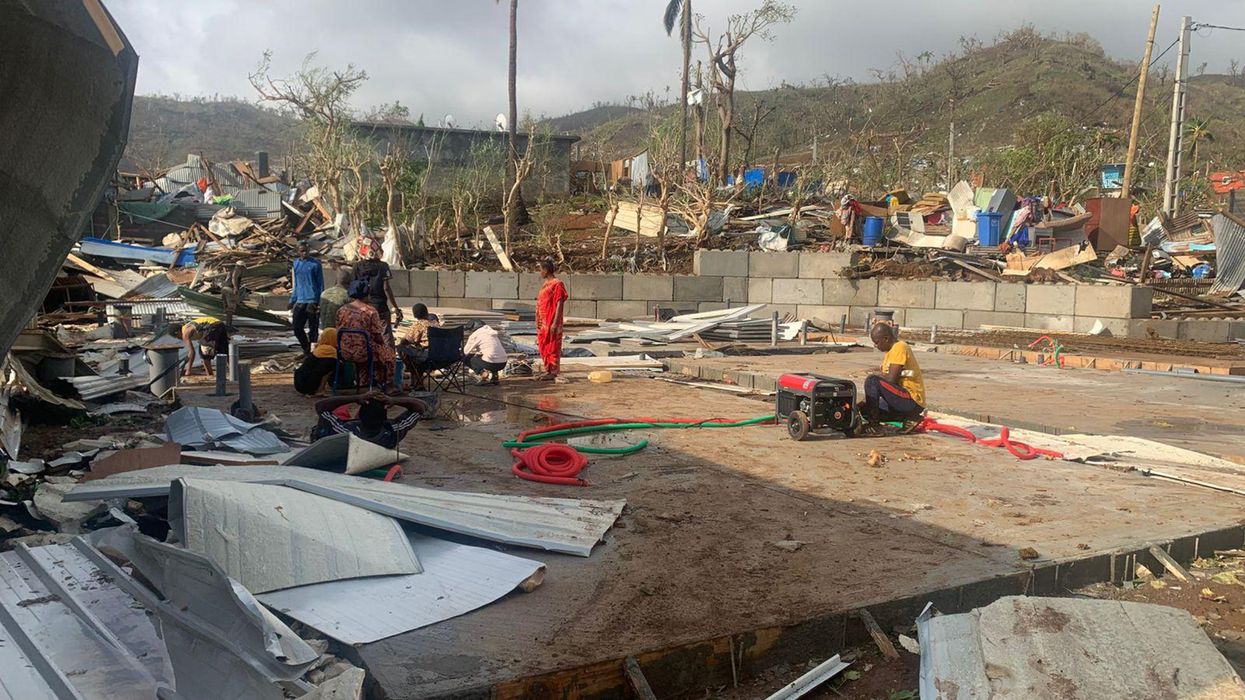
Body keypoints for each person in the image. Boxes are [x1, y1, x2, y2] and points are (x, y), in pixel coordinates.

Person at [312, 390, 426, 449]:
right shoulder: (393, 431)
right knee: (341, 413)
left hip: (344, 433)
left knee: (340, 410)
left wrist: (356, 398)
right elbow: (421, 407)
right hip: (376, 434)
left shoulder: (343, 432)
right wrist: (394, 400)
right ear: (385, 417)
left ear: (360, 415)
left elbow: (320, 406)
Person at [336, 280, 396, 391]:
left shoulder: (341, 310)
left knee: (373, 352)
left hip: (344, 352)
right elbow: (378, 337)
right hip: (364, 352)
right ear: (367, 294)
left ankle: (364, 382)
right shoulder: (370, 311)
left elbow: (338, 330)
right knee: (389, 355)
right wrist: (384, 346)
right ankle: (388, 385)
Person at [860, 323, 926, 425]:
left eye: (877, 343)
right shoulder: (889, 353)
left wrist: (877, 377)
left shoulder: (899, 347)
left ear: (886, 338)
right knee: (865, 410)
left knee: (872, 380)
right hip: (900, 399)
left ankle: (874, 425)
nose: (876, 346)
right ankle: (910, 418)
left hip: (911, 400)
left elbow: (891, 379)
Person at [352, 240, 403, 347]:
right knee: (385, 335)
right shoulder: (383, 266)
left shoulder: (357, 266)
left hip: (363, 308)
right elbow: (386, 288)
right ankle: (388, 359)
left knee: (364, 334)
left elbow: (354, 288)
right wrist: (396, 307)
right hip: (381, 307)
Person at [534, 258, 568, 381]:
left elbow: (560, 303)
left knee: (552, 346)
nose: (540, 273)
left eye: (541, 270)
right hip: (542, 323)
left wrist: (555, 322)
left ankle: (553, 371)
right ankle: (547, 369)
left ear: (546, 270)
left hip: (551, 321)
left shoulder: (557, 284)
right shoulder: (545, 284)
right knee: (544, 346)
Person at [290, 243, 324, 354]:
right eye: (302, 251)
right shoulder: (295, 264)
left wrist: (319, 300)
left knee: (313, 329)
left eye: (306, 251)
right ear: (298, 251)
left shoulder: (315, 264)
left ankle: (313, 352)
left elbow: (320, 283)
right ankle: (306, 349)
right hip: (300, 299)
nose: (304, 253)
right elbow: (295, 284)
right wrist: (292, 300)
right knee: (297, 327)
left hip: (312, 299)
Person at [397, 303, 436, 390]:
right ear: (426, 312)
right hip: (442, 357)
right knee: (415, 355)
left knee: (401, 348)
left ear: (414, 315)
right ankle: (417, 379)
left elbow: (405, 340)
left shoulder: (418, 325)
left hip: (427, 357)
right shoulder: (435, 324)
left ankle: (415, 377)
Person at [294, 327, 338, 396]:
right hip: (308, 385)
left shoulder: (319, 348)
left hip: (299, 383)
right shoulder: (330, 351)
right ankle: (319, 390)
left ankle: (318, 389)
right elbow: (323, 371)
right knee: (331, 366)